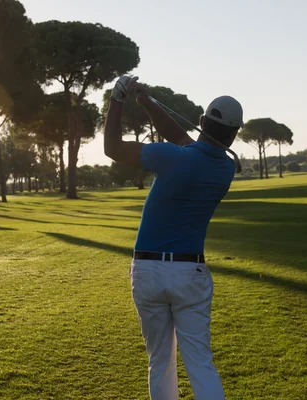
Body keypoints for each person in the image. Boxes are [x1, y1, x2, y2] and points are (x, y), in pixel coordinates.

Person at [103, 76, 243, 400]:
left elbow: (112, 148)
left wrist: (117, 100)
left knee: (160, 362)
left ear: (202, 122)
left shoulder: (171, 156)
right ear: (234, 134)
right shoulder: (224, 170)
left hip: (149, 271)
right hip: (190, 274)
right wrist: (149, 104)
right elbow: (183, 139)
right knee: (201, 364)